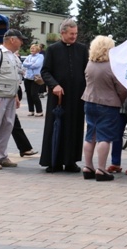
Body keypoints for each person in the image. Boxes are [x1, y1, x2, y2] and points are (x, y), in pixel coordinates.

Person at [39, 19, 89, 173]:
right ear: (62, 33)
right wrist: (54, 85)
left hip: (77, 96)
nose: (74, 37)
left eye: (75, 34)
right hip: (58, 97)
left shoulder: (82, 49)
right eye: (71, 34)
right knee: (55, 128)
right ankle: (53, 161)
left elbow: (86, 70)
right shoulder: (53, 49)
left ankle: (71, 161)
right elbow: (45, 71)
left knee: (74, 127)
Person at [81, 36, 127, 182]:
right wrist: (120, 100)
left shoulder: (90, 64)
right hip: (108, 104)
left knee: (90, 135)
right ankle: (101, 169)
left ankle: (88, 167)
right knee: (104, 137)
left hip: (89, 101)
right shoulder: (112, 66)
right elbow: (121, 89)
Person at [0, 29, 25, 169]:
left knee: (7, 126)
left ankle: (2, 156)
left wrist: (16, 96)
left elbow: (14, 77)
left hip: (10, 97)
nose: (22, 42)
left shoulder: (13, 56)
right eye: (20, 39)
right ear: (12, 39)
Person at [22, 44, 44, 116]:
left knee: (34, 94)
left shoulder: (40, 56)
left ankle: (39, 111)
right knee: (28, 94)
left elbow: (37, 65)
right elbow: (23, 64)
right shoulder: (28, 56)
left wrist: (29, 64)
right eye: (31, 48)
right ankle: (31, 110)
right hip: (27, 77)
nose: (32, 49)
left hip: (36, 78)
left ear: (37, 49)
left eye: (33, 48)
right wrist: (31, 64)